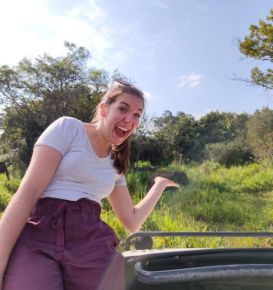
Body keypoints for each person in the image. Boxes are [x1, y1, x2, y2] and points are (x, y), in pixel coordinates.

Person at [0, 80, 179, 290]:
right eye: (123, 108)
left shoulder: (116, 163)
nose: (129, 119)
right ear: (104, 108)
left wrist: (159, 185)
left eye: (137, 115)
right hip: (40, 232)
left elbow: (131, 221)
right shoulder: (68, 128)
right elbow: (29, 192)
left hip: (89, 240)